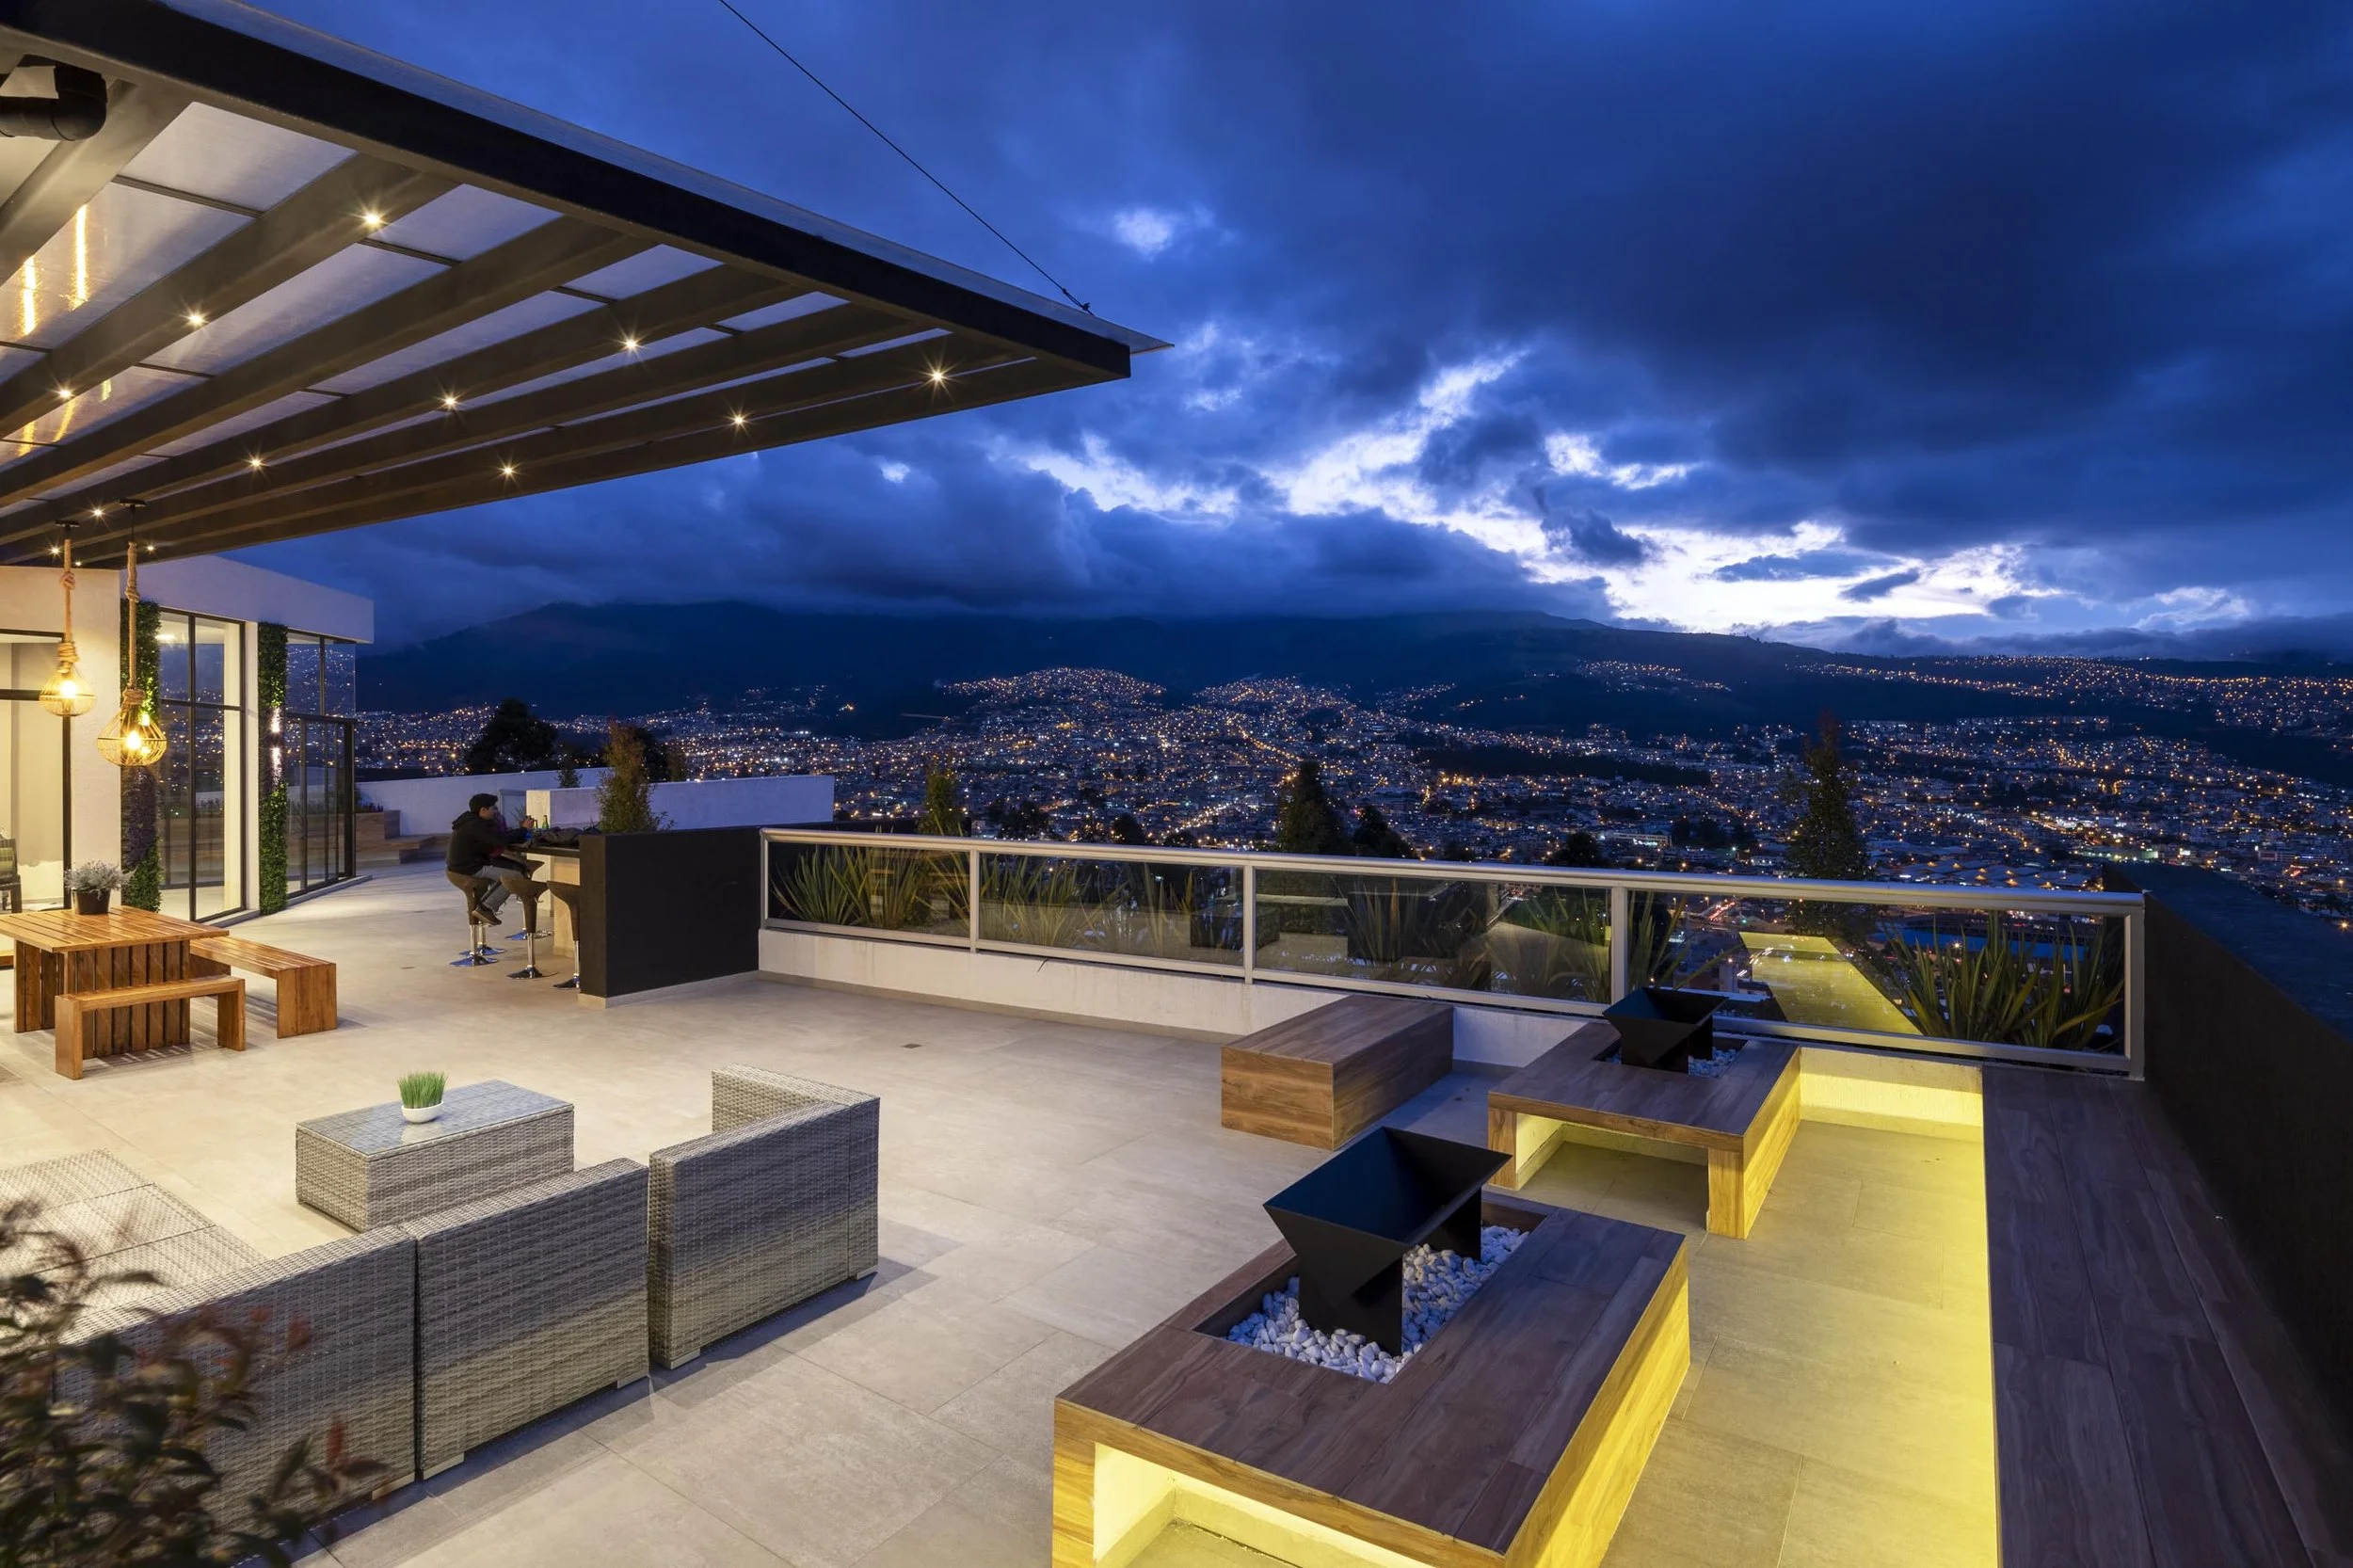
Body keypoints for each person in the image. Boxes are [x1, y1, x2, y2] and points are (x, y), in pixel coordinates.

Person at [445, 793, 559, 927]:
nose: (495, 812)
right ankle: (486, 908)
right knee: (514, 875)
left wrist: (518, 831)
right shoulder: (475, 825)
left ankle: (484, 905)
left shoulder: (471, 821)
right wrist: (523, 830)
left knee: (517, 868)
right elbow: (500, 841)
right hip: (469, 868)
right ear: (483, 810)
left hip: (463, 865)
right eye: (493, 808)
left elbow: (497, 838)